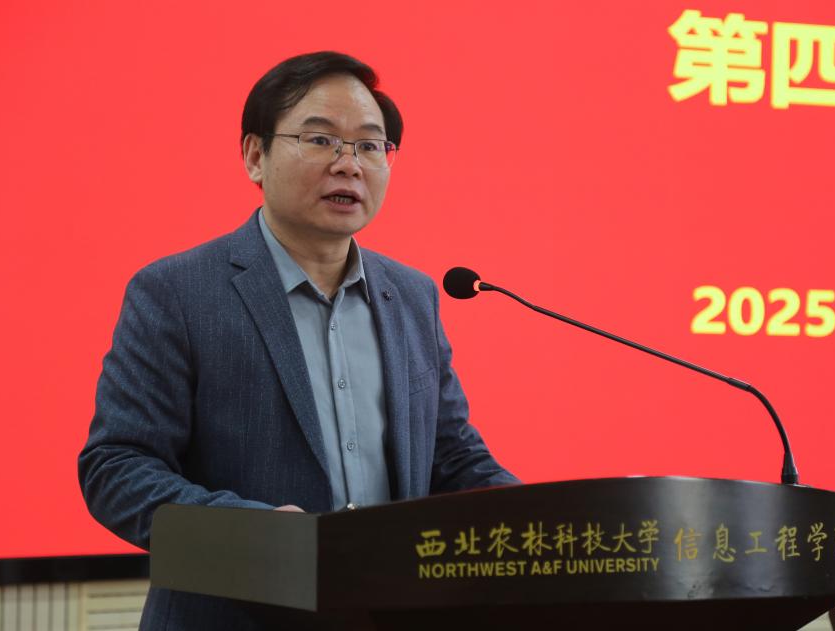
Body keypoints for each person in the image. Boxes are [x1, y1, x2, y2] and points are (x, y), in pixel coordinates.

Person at [78, 51, 518, 630]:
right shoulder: (176, 292)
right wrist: (249, 531)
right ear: (255, 155)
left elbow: (452, 456)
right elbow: (116, 467)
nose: (349, 165)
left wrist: (535, 520)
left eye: (369, 145)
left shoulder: (412, 296)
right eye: (321, 140)